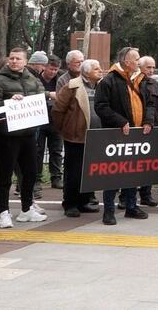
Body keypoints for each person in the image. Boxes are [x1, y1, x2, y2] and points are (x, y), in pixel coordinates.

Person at [0, 47, 47, 228]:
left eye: (18, 58)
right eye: (11, 58)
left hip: (29, 133)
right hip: (8, 135)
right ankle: (3, 212)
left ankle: (27, 209)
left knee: (30, 173)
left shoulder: (33, 80)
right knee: (5, 175)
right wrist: (9, 102)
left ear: (26, 62)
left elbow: (42, 98)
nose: (14, 61)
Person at [94, 47, 155, 225]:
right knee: (113, 174)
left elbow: (150, 103)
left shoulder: (140, 79)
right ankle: (109, 211)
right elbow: (101, 106)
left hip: (137, 134)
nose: (139, 61)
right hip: (116, 135)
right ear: (126, 62)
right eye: (136, 59)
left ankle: (131, 206)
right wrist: (120, 121)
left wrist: (148, 121)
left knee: (133, 172)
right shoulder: (109, 81)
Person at [52, 59, 103, 217]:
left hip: (96, 137)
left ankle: (84, 201)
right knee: (73, 172)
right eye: (96, 69)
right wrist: (65, 129)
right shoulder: (72, 86)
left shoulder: (101, 86)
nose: (100, 70)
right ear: (86, 72)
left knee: (89, 171)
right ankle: (70, 204)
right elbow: (58, 110)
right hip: (76, 137)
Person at [32, 54, 64, 194]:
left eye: (56, 69)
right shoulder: (36, 79)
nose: (53, 72)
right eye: (51, 69)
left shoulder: (61, 80)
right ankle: (37, 179)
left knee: (56, 150)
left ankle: (56, 177)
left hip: (56, 120)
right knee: (38, 151)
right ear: (45, 67)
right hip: (39, 120)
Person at [134, 56, 158, 207]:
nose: (151, 70)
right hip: (135, 128)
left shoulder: (156, 85)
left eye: (153, 67)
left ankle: (146, 194)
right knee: (132, 164)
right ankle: (127, 197)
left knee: (149, 163)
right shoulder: (134, 83)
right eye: (148, 67)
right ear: (140, 67)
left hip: (152, 127)